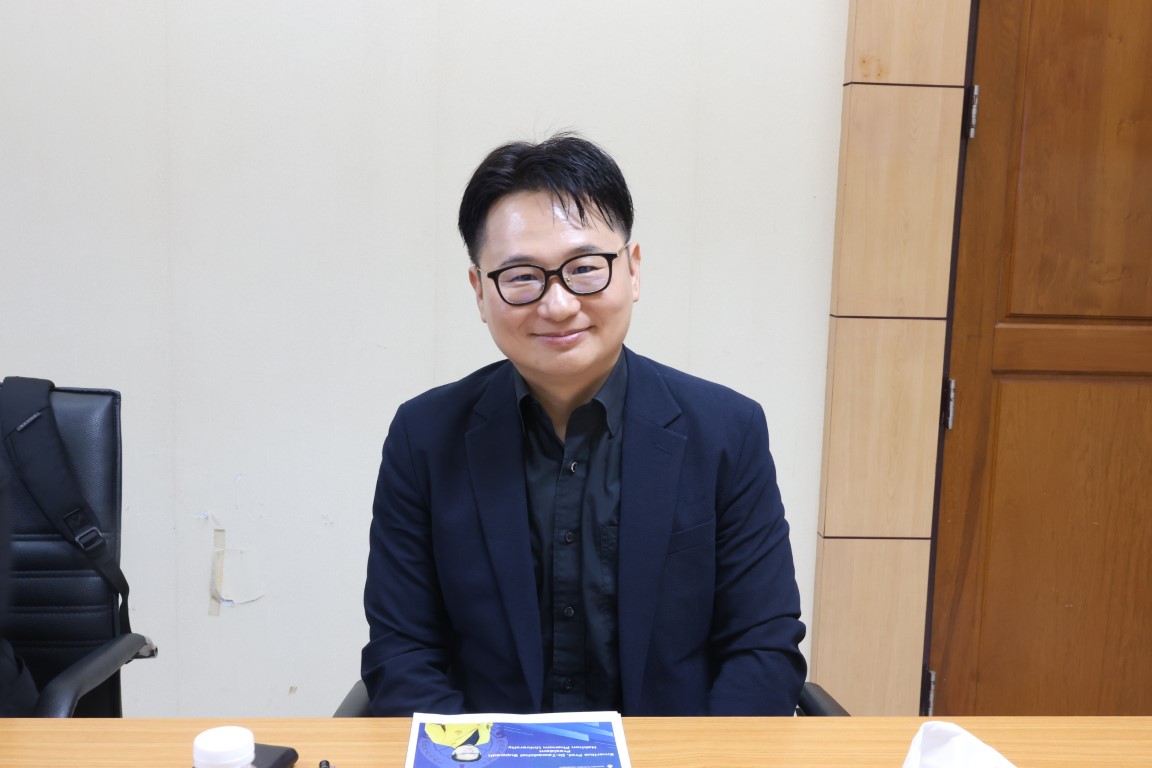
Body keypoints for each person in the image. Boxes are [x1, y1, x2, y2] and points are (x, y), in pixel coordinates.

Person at [361, 133, 806, 716]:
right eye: (521, 276)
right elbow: (403, 652)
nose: (558, 305)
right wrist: (472, 756)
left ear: (632, 270)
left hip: (670, 757)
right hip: (490, 755)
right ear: (480, 291)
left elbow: (762, 649)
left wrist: (697, 757)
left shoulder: (727, 432)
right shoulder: (424, 437)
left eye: (585, 269)